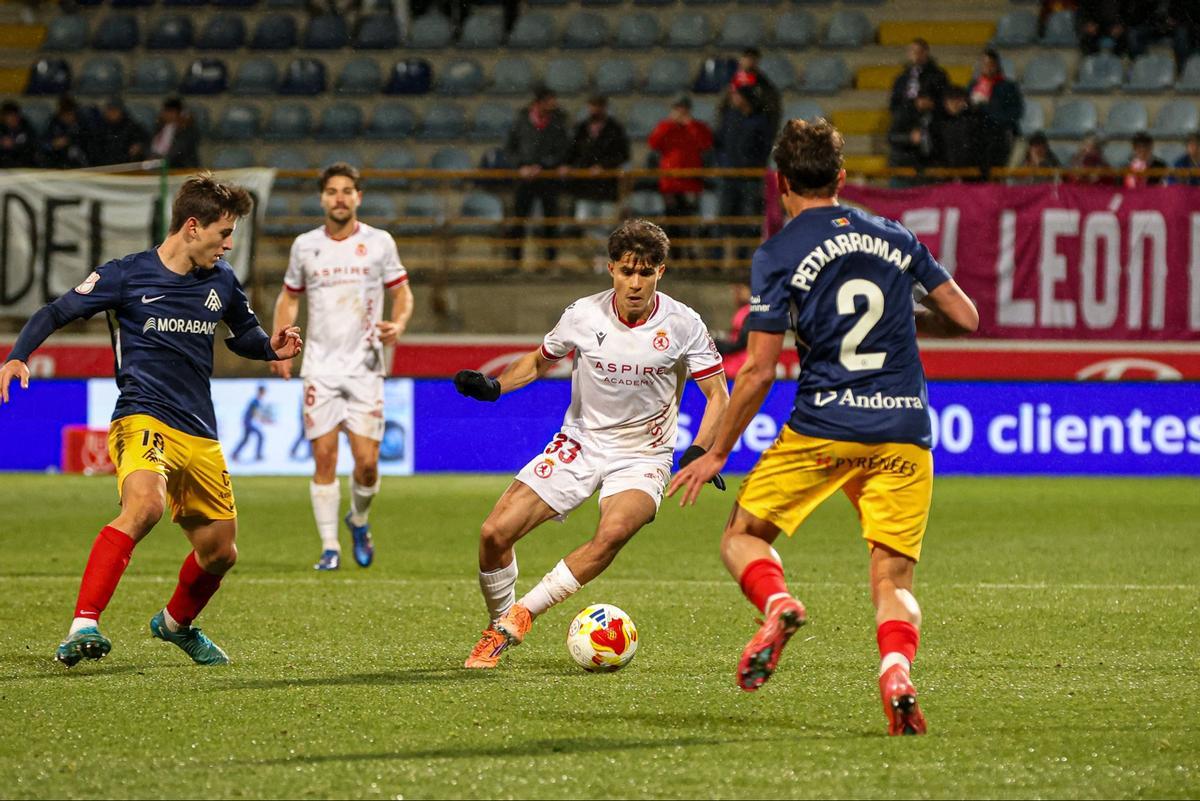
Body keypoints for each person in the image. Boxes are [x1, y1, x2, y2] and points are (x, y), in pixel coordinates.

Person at [669, 119, 979, 736]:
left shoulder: (778, 252)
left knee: (742, 536)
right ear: (842, 177)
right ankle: (895, 669)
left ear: (782, 183)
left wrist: (714, 451)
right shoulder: (894, 234)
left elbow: (757, 371)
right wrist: (901, 314)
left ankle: (779, 604)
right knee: (892, 576)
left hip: (825, 424)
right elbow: (965, 316)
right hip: (902, 426)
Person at [0, 174, 303, 668]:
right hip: (141, 415)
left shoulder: (221, 280)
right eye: (223, 234)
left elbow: (244, 333)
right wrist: (18, 356)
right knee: (144, 507)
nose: (229, 245)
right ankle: (84, 624)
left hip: (199, 430)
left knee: (221, 553)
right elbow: (57, 311)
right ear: (191, 226)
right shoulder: (126, 275)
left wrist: (271, 347)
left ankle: (175, 624)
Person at [453, 219, 730, 669]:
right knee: (493, 534)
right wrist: (495, 386)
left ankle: (521, 616)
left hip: (644, 456)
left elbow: (719, 395)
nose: (635, 283)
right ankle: (498, 623)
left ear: (662, 271)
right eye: (626, 271)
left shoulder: (683, 324)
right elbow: (540, 362)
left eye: (645, 273)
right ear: (611, 269)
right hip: (579, 443)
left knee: (614, 533)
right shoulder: (583, 314)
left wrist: (702, 451)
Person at [271, 162, 413, 571]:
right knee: (325, 459)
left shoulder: (380, 242)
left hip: (366, 367)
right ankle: (330, 547)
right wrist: (280, 344)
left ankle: (359, 520)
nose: (339, 198)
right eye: (332, 191)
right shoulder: (305, 246)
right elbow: (289, 297)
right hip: (320, 366)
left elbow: (402, 294)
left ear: (358, 198)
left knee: (367, 463)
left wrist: (398, 324)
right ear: (322, 198)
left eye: (346, 191)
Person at [504, 87, 571, 266]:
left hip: (548, 179)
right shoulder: (521, 122)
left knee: (551, 220)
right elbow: (510, 150)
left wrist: (543, 165)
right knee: (519, 220)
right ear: (539, 102)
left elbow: (563, 150)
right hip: (524, 179)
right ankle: (515, 260)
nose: (553, 105)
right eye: (550, 101)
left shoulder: (558, 122)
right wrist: (521, 166)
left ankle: (550, 261)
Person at [647, 96, 713, 260]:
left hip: (691, 183)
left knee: (690, 222)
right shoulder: (665, 126)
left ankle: (690, 255)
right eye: (677, 108)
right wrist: (670, 124)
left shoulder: (697, 127)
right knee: (672, 221)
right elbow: (654, 143)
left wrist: (689, 124)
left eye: (683, 108)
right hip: (670, 184)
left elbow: (705, 144)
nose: (680, 112)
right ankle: (674, 256)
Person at [715, 84, 773, 261]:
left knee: (749, 219)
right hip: (730, 176)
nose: (733, 99)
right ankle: (723, 259)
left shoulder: (761, 121)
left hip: (750, 177)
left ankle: (748, 260)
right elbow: (719, 143)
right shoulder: (730, 118)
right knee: (726, 218)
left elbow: (764, 148)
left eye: (737, 96)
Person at [563, 95, 630, 239]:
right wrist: (570, 166)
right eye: (592, 106)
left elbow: (623, 154)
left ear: (604, 108)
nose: (595, 110)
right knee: (583, 221)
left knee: (606, 224)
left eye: (598, 106)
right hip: (585, 185)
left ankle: (602, 258)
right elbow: (572, 152)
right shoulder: (581, 128)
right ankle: (593, 256)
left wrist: (604, 166)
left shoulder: (615, 129)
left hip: (607, 186)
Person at [968, 49, 1024, 174]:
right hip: (978, 137)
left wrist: (991, 112)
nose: (987, 67)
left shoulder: (1008, 87)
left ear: (997, 65)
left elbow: (1017, 112)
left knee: (998, 172)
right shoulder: (973, 86)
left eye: (990, 64)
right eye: (984, 64)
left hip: (1001, 137)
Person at [888, 38, 950, 116]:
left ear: (926, 53)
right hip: (905, 117)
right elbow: (894, 103)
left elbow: (946, 99)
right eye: (913, 51)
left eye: (919, 51)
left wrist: (932, 104)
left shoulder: (938, 75)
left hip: (930, 116)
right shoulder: (902, 77)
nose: (916, 55)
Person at [88, 98, 148, 167]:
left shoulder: (130, 125)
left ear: (121, 111)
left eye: (115, 110)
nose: (112, 113)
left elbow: (143, 139)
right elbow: (94, 148)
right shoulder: (100, 127)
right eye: (109, 110)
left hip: (125, 165)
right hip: (104, 165)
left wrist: (138, 145)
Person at [38, 94, 88, 169]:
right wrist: (53, 144)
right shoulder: (53, 123)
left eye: (70, 113)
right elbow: (41, 144)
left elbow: (88, 142)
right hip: (57, 162)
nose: (68, 117)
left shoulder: (82, 123)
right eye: (65, 114)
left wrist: (72, 141)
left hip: (78, 163)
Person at [149, 96, 200, 169]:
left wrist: (158, 160)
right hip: (157, 165)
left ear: (179, 113)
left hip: (179, 168)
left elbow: (177, 152)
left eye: (170, 112)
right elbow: (149, 145)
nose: (165, 114)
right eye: (165, 111)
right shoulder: (159, 127)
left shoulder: (187, 130)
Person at [232, 384, 269, 462]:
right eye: (263, 391)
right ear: (260, 391)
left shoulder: (256, 400)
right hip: (248, 423)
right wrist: (264, 420)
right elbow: (255, 413)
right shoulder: (255, 401)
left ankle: (234, 454)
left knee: (245, 439)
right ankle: (258, 455)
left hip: (247, 422)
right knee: (260, 436)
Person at [0, 99, 36, 169]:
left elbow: (33, 145)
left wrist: (15, 145)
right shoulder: (1, 128)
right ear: (4, 117)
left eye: (15, 115)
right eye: (10, 116)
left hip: (23, 164)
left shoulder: (26, 127)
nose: (14, 119)